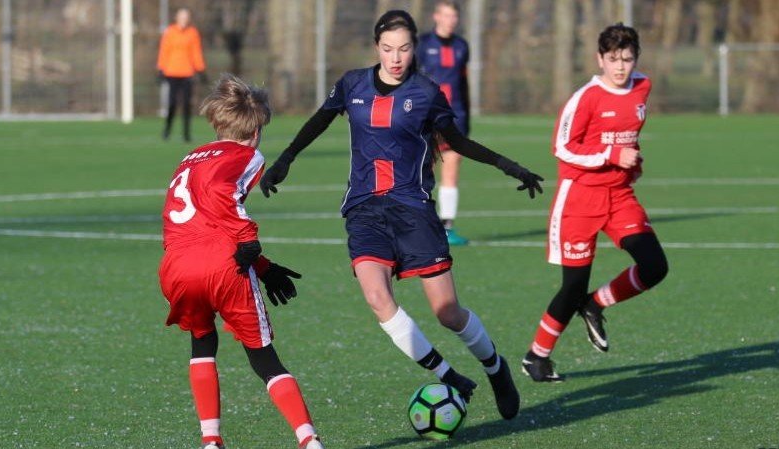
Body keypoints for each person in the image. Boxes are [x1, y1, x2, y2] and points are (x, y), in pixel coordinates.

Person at [259, 10, 544, 420]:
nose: (396, 57)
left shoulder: (427, 92)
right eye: (388, 49)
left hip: (413, 209)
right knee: (378, 298)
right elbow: (318, 121)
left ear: (414, 48)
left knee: (448, 313)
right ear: (377, 47)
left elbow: (457, 141)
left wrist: (509, 165)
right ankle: (449, 376)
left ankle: (495, 367)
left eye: (404, 48)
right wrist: (285, 159)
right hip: (365, 209)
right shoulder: (352, 83)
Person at [158, 74, 324, 449]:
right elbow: (225, 197)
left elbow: (201, 218)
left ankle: (211, 442)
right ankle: (309, 441)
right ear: (256, 131)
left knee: (202, 343)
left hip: (176, 266)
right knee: (264, 358)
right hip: (221, 267)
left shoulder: (190, 156)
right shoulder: (249, 155)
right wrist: (249, 241)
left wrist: (263, 267)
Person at [522, 23, 668, 382]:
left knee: (654, 266)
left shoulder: (642, 87)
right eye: (613, 59)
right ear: (599, 59)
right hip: (579, 199)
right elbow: (562, 148)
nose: (621, 67)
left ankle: (596, 303)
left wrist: (633, 160)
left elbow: (629, 132)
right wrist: (612, 154)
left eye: (628, 59)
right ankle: (536, 358)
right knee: (571, 287)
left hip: (619, 196)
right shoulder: (585, 97)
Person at [417, 0, 471, 246]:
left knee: (451, 168)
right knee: (421, 169)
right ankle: (418, 225)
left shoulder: (462, 46)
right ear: (436, 16)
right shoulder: (422, 44)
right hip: (426, 115)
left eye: (454, 16)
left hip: (455, 115)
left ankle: (447, 227)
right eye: (446, 15)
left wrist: (466, 118)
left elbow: (463, 84)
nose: (450, 20)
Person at [157, 7, 207, 142]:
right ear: (177, 18)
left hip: (187, 73)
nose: (184, 19)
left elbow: (196, 52)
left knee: (186, 104)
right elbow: (164, 51)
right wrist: (161, 69)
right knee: (172, 103)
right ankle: (167, 130)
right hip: (172, 72)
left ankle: (186, 134)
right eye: (182, 17)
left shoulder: (193, 33)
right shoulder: (170, 32)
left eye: (186, 17)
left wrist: (201, 69)